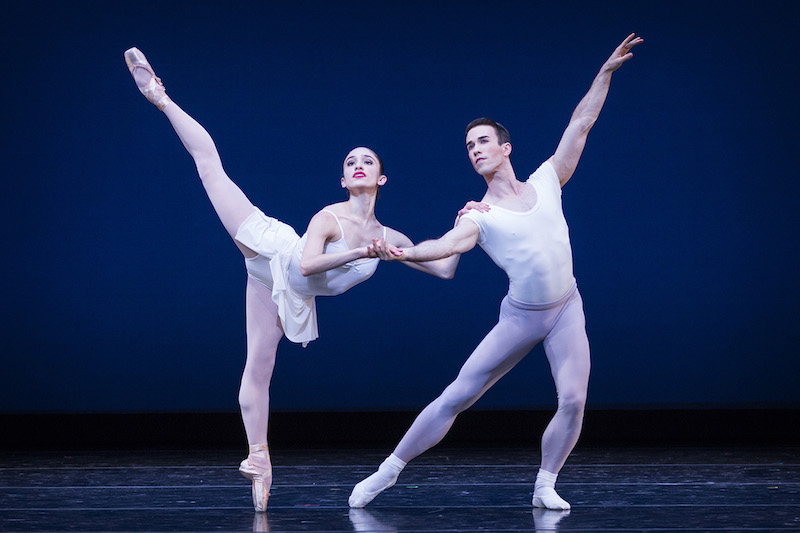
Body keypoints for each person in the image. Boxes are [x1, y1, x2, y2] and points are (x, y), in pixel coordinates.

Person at [123, 48, 460, 512]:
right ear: (343, 180)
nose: (358, 165)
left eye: (367, 162)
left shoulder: (390, 237)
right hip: (272, 251)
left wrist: (470, 227)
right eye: (350, 162)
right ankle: (159, 96)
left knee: (260, 368)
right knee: (209, 166)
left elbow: (443, 267)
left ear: (382, 179)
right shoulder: (330, 217)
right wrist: (361, 252)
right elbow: (305, 265)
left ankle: (260, 460)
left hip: (281, 292)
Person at [348, 33, 643, 510]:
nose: (476, 149)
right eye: (469, 146)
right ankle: (385, 473)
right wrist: (402, 255)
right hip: (521, 317)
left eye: (483, 141)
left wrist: (604, 72)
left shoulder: (548, 180)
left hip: (567, 307)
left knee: (573, 399)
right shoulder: (479, 216)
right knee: (457, 396)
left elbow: (582, 122)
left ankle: (545, 484)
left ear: (506, 148)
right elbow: (444, 246)